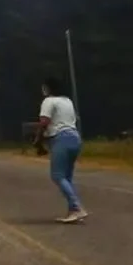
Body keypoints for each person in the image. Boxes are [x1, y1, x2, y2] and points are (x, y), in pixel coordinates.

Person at [33, 76, 87, 223]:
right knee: (67, 177)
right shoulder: (67, 101)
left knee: (57, 175)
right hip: (75, 138)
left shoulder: (49, 101)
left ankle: (77, 208)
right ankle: (72, 212)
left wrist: (38, 139)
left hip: (60, 138)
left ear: (48, 88)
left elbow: (44, 121)